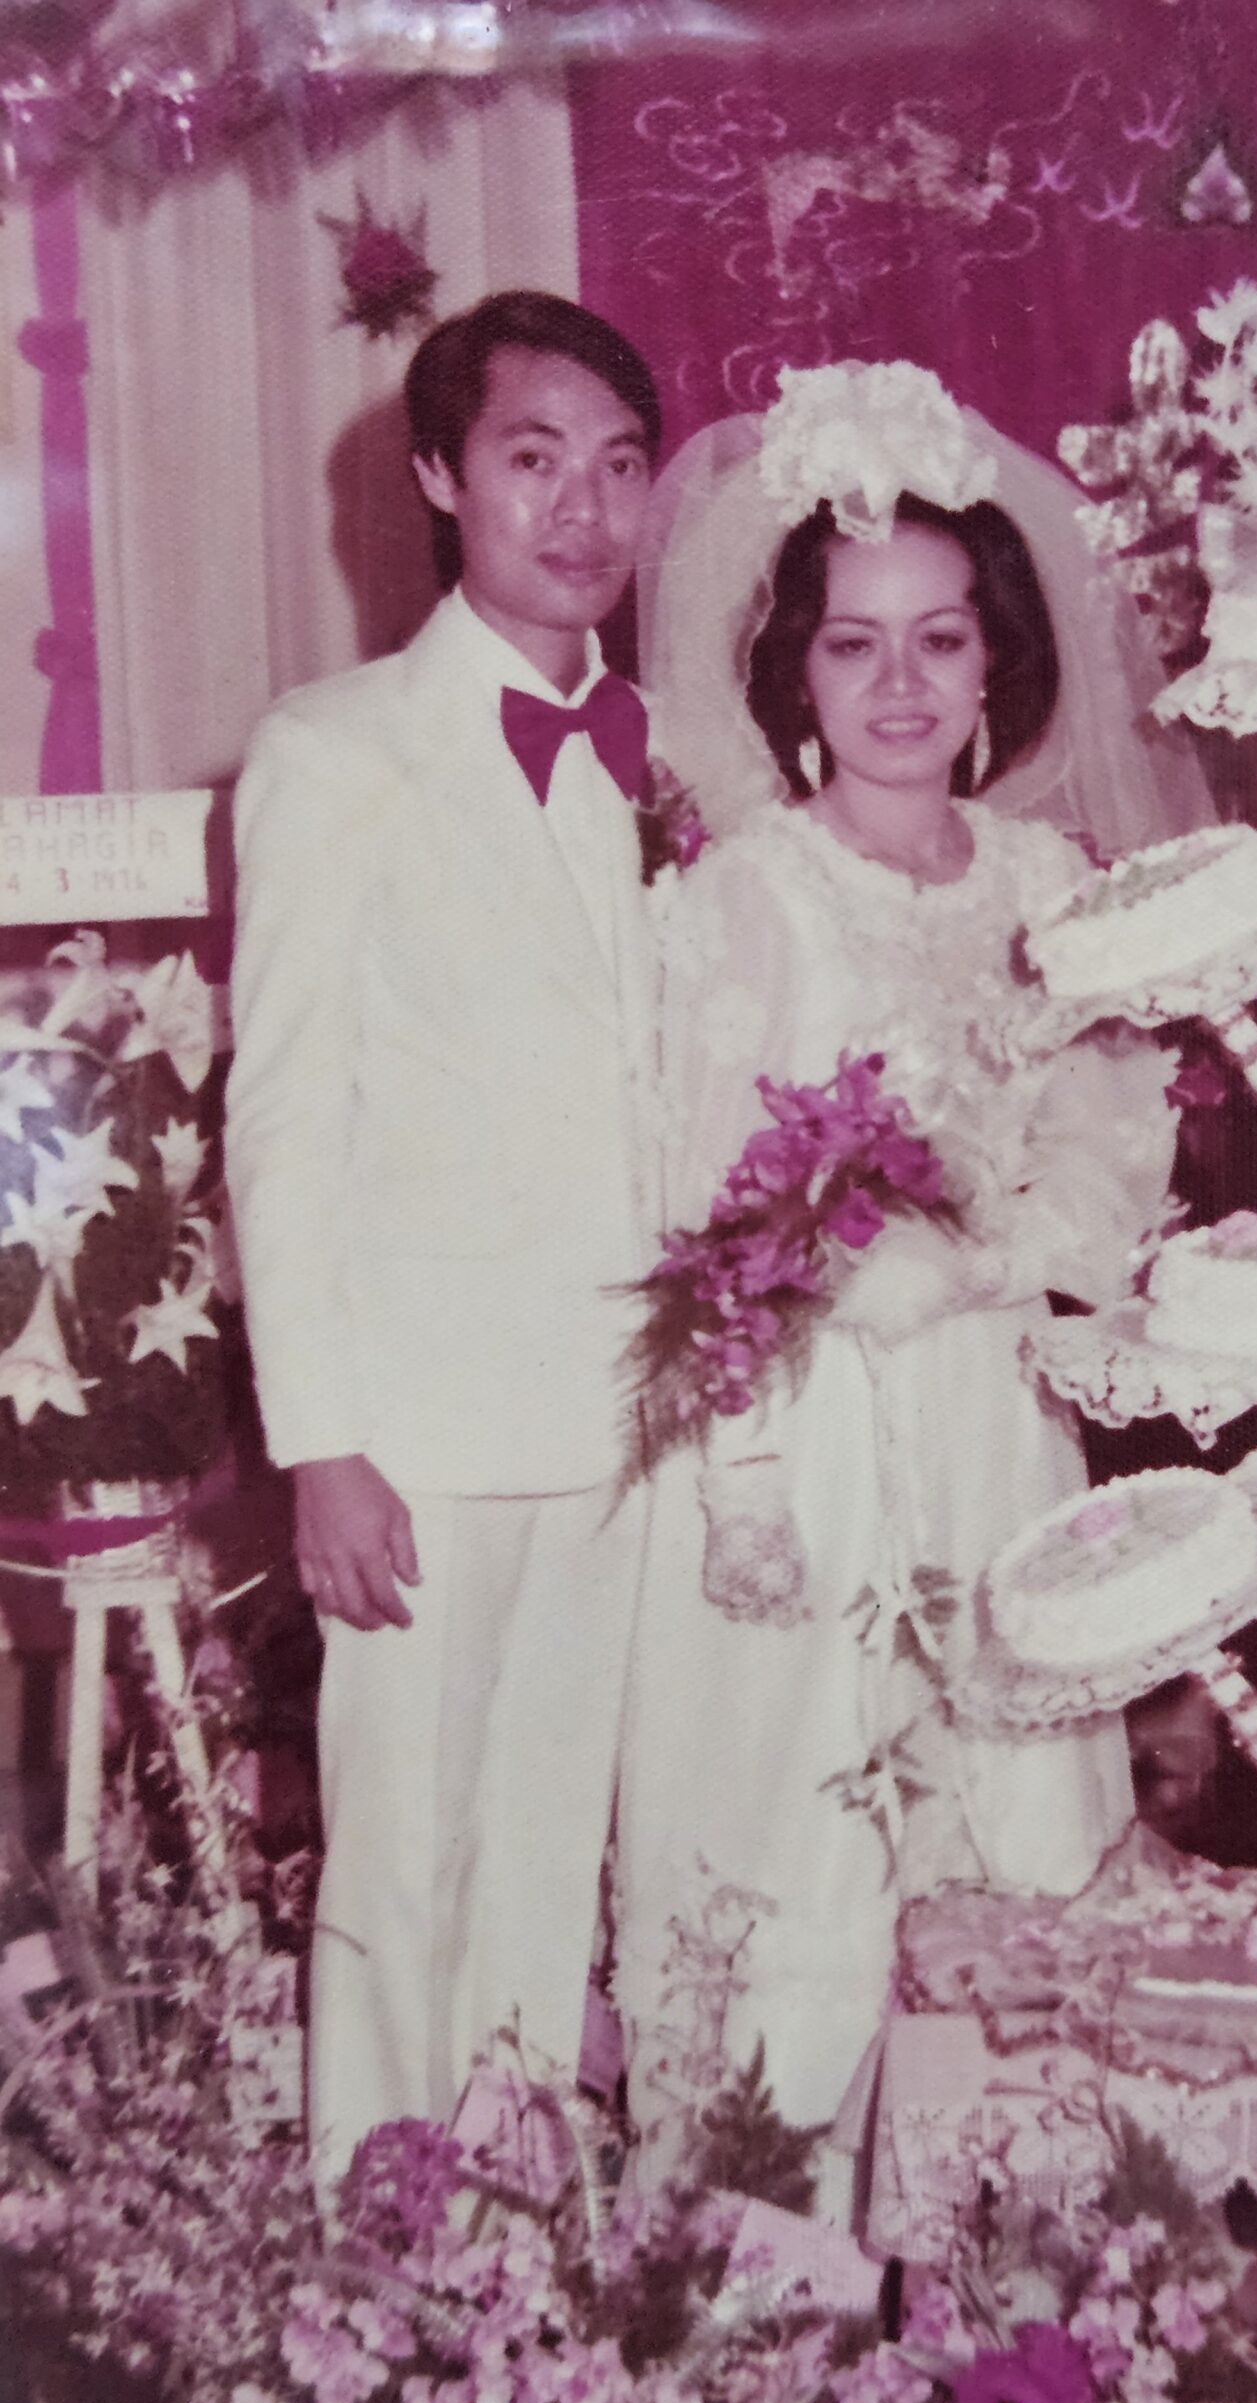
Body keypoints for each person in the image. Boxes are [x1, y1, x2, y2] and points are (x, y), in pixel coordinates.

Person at [615, 363, 1212, 2182]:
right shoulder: (745, 894)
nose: (899, 686)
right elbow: (689, 1210)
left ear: (992, 662)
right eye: (854, 644)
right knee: (797, 1838)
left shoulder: (1048, 884)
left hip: (995, 1418)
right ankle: (755, 2260)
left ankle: (1019, 2254)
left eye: (938, 641)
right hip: (800, 1453)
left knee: (1017, 1825)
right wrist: (747, 1472)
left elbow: (1114, 1146)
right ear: (791, 672)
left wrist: (991, 1252)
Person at [226, 290, 667, 2183]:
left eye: (619, 466)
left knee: (550, 1862)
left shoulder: (668, 756)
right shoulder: (337, 752)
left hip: (630, 1420)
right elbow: (282, 1118)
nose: (582, 510)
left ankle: (517, 2254)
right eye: (531, 459)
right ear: (435, 476)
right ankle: (377, 2263)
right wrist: (322, 1441)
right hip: (421, 1428)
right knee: (401, 1865)